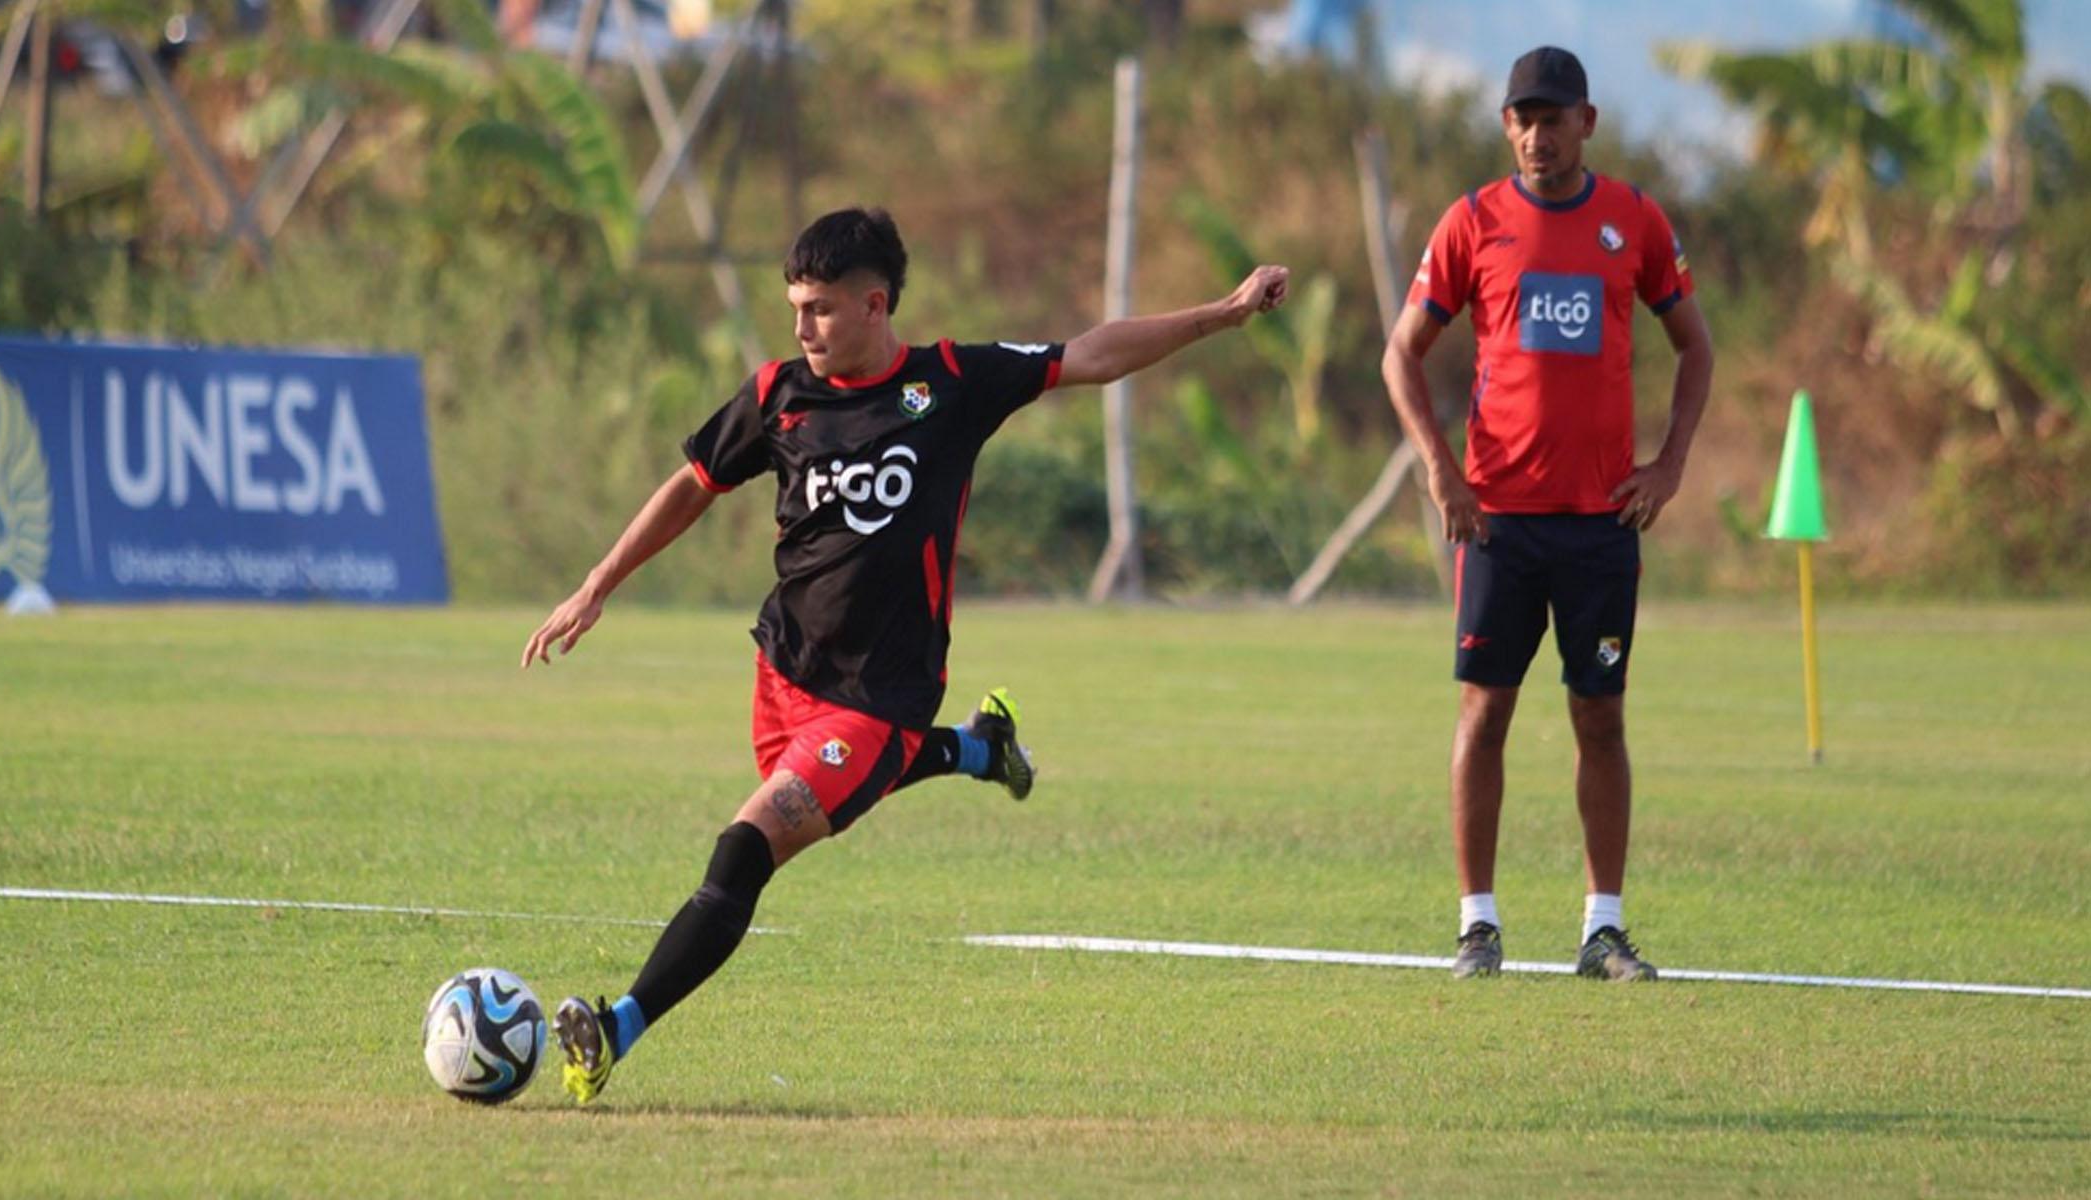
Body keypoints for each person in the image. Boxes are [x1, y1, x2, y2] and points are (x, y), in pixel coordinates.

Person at [522, 207, 1289, 1102]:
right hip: (783, 672)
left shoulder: (952, 382)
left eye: (818, 309)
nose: (801, 328)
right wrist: (597, 583)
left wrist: (1222, 313)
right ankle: (976, 749)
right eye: (794, 308)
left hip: (878, 695)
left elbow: (1091, 354)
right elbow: (694, 484)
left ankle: (615, 1031)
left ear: (874, 304)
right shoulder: (777, 394)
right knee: (835, 792)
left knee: (743, 852)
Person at [1380, 46, 1714, 982]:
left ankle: (1602, 930)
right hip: (1498, 523)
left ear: (1585, 123)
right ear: (1506, 126)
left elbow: (1694, 346)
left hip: (1600, 525)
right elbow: (1401, 354)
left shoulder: (1633, 221)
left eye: (1553, 119)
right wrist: (1442, 472)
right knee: (1483, 712)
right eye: (1522, 119)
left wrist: (1669, 465)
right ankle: (1476, 928)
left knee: (1598, 717)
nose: (1537, 136)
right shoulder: (1473, 221)